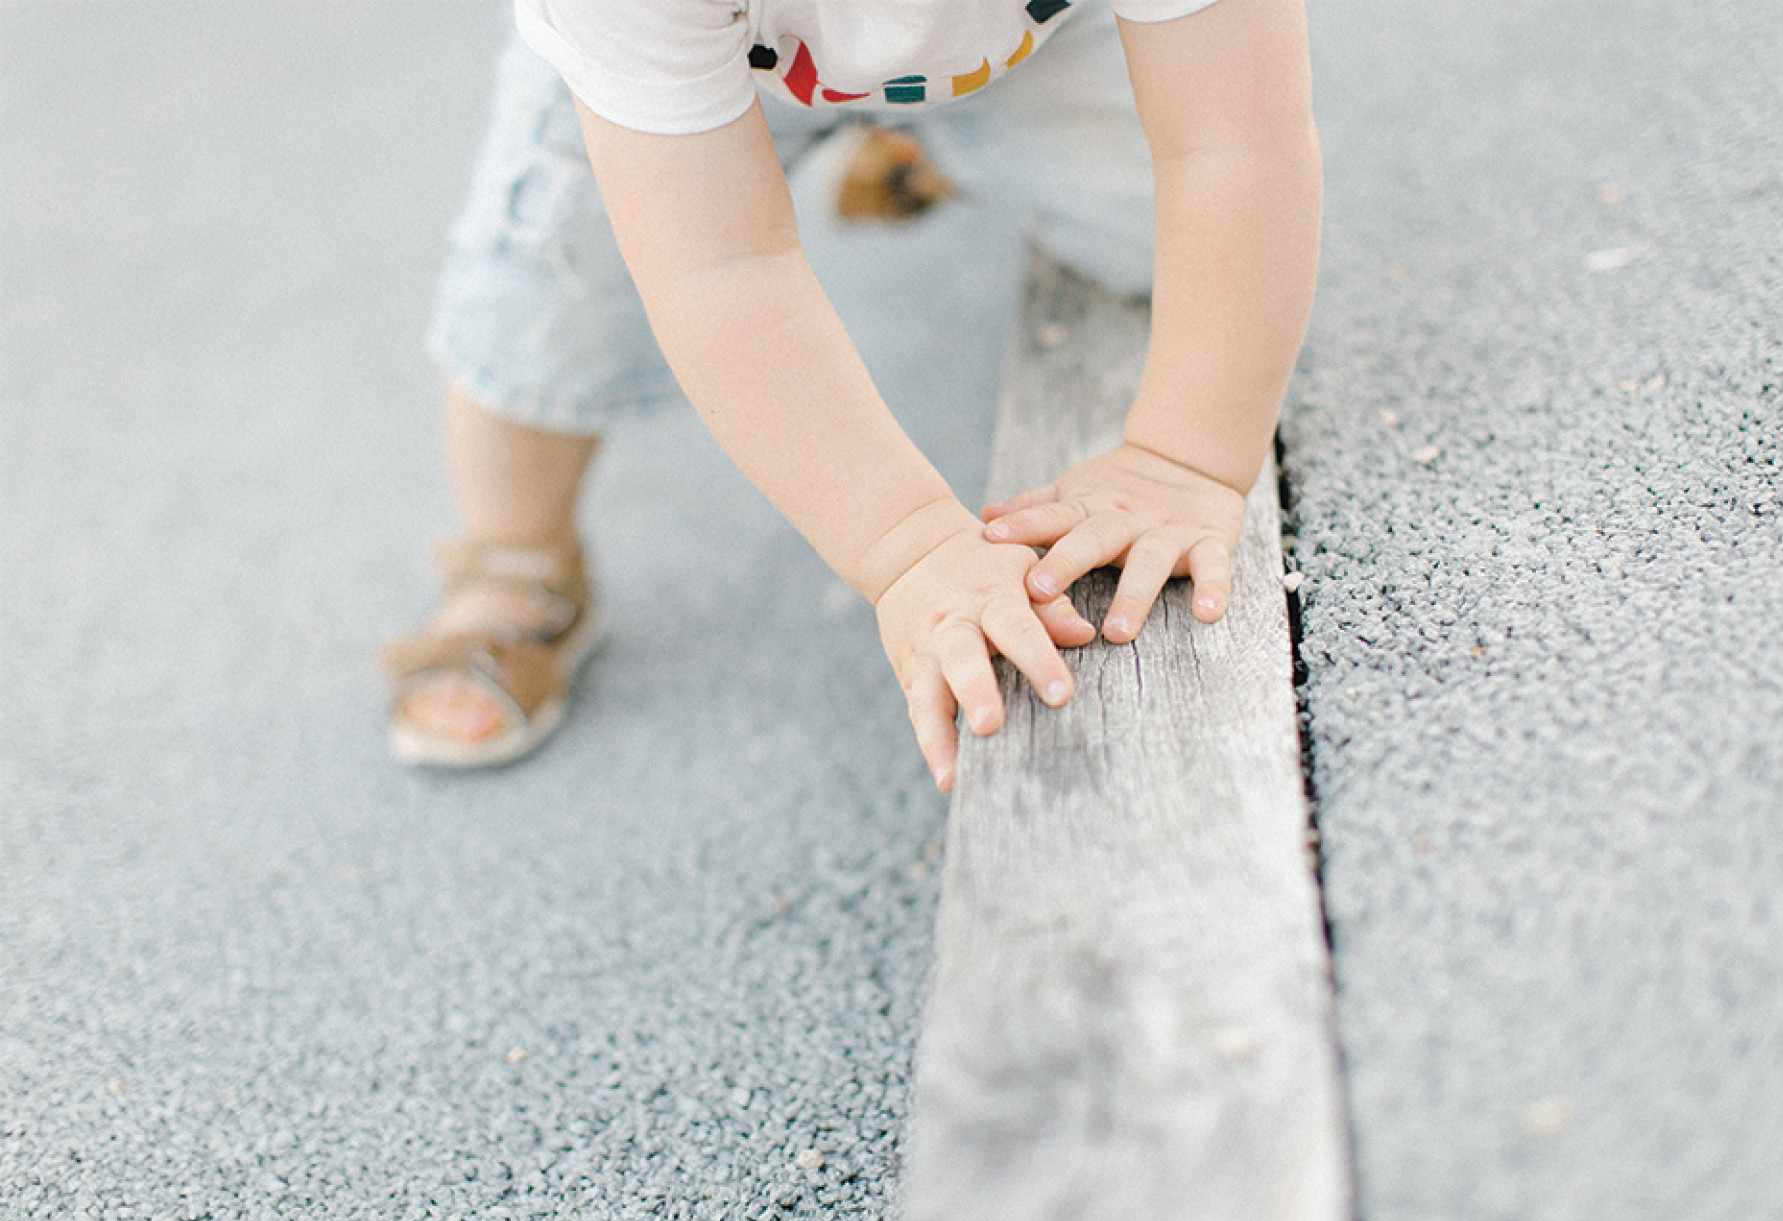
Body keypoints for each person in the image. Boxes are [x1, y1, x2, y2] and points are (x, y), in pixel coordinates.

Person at [382, 0, 1321, 789]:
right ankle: (515, 560)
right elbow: (721, 268)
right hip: (682, 64)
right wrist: (906, 545)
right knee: (551, 298)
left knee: (1153, 233)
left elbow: (1232, 144)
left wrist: (1184, 457)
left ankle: (933, 136)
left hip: (1028, 35)